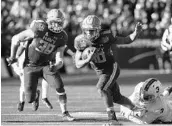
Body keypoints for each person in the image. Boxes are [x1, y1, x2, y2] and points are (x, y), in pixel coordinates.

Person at [7, 9, 75, 121]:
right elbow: (15, 38)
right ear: (48, 21)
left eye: (59, 22)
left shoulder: (62, 36)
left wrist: (57, 65)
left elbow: (60, 57)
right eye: (54, 22)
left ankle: (65, 112)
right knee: (29, 99)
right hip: (30, 65)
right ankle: (36, 95)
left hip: (46, 65)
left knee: (59, 86)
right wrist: (13, 56)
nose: (57, 25)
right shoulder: (40, 28)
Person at [74, 15, 143, 124]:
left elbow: (125, 40)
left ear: (98, 29)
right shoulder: (80, 41)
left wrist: (136, 33)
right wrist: (87, 60)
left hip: (111, 68)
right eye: (86, 31)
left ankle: (112, 119)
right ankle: (138, 110)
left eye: (91, 31)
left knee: (102, 88)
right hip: (100, 72)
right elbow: (77, 64)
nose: (89, 34)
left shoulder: (106, 36)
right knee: (117, 98)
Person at [10, 42, 53, 111]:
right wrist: (14, 59)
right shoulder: (28, 38)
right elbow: (19, 49)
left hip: (39, 62)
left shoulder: (43, 37)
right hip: (26, 65)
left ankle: (44, 97)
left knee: (47, 77)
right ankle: (23, 100)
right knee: (24, 85)